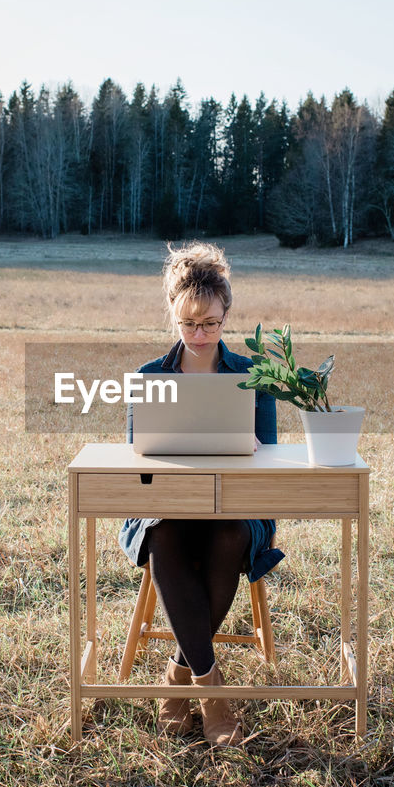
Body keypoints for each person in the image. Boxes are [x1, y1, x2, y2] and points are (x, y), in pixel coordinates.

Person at [119, 241, 281, 746]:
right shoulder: (150, 377)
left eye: (211, 322)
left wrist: (253, 447)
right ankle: (212, 691)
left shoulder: (252, 377)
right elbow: (134, 462)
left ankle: (178, 673)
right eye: (190, 323)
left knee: (230, 534)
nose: (200, 334)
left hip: (234, 507)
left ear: (226, 315)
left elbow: (271, 462)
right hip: (164, 509)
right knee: (165, 537)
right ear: (173, 314)